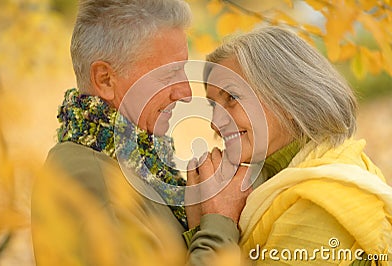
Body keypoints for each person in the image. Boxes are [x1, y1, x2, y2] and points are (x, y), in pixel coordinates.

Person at [30, 0, 235, 264]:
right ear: (105, 79)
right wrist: (220, 223)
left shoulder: (133, 167)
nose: (186, 94)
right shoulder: (92, 184)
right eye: (168, 74)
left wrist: (198, 224)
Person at [186, 26, 392, 265]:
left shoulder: (320, 206)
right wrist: (207, 225)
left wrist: (215, 221)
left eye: (231, 98)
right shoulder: (270, 186)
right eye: (213, 106)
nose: (214, 123)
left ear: (287, 100)